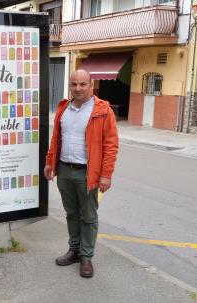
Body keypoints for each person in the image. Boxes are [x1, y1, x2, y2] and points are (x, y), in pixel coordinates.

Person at [44, 69, 119, 278]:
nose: (78, 88)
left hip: (88, 173)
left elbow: (111, 146)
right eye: (74, 84)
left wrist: (106, 174)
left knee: (88, 217)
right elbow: (56, 138)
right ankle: (74, 250)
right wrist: (50, 162)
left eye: (82, 84)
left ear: (91, 86)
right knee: (71, 214)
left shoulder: (102, 110)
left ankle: (86, 257)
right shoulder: (63, 109)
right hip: (64, 170)